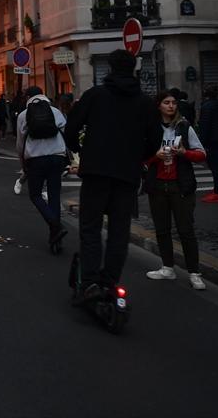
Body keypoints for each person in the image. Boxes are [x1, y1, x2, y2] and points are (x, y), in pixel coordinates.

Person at [64, 49, 162, 291]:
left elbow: (71, 128)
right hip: (127, 174)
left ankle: (89, 282)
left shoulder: (95, 95)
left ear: (110, 68)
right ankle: (109, 281)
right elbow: (155, 140)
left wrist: (81, 150)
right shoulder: (145, 102)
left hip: (96, 170)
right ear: (134, 68)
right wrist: (137, 157)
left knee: (90, 228)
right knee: (119, 232)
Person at [143, 91, 207, 289]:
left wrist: (184, 152)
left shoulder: (184, 126)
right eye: (166, 102)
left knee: (185, 229)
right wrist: (156, 157)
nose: (171, 106)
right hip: (158, 184)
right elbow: (143, 158)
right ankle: (167, 267)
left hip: (180, 184)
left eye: (173, 103)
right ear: (158, 106)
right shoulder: (151, 128)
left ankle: (194, 272)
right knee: (162, 229)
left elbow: (202, 154)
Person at [16, 85, 68, 253]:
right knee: (54, 195)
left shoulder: (24, 115)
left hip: (36, 159)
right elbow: (65, 132)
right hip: (57, 157)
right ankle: (56, 240)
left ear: (28, 98)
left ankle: (55, 225)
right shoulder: (56, 112)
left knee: (35, 194)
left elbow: (20, 142)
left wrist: (22, 161)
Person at [198, 85, 218, 203]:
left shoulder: (206, 107)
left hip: (211, 139)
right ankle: (217, 190)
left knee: (214, 165)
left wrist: (201, 142)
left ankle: (217, 193)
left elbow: (204, 125)